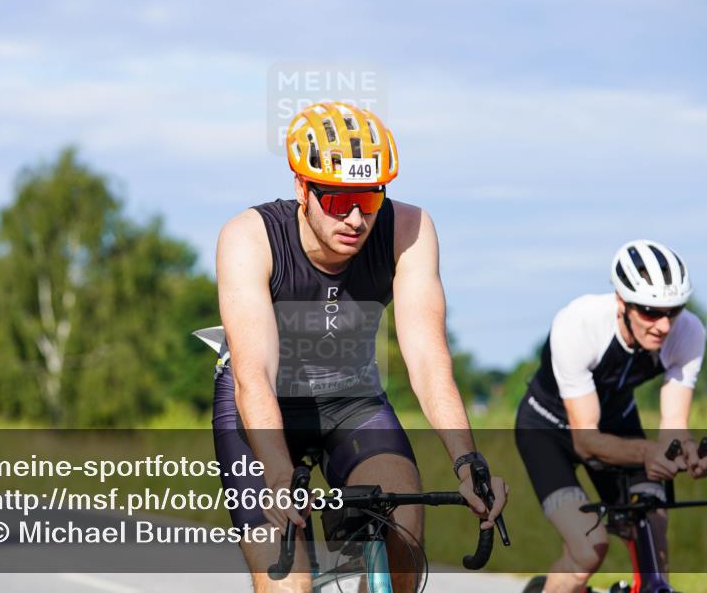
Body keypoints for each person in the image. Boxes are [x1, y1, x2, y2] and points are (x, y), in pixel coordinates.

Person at [209, 101, 507, 592]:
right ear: (302, 188)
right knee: (288, 583)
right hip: (261, 405)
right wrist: (279, 474)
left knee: (403, 540)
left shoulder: (408, 228)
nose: (354, 219)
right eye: (336, 201)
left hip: (352, 400)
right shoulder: (249, 237)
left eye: (369, 200)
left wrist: (467, 461)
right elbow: (253, 375)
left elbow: (428, 360)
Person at [515, 240, 707, 593]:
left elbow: (673, 424)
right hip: (547, 429)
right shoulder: (579, 323)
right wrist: (648, 452)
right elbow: (586, 441)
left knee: (652, 530)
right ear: (622, 302)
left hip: (617, 424)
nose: (664, 325)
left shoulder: (689, 331)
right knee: (588, 547)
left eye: (674, 310)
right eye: (650, 312)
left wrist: (685, 452)